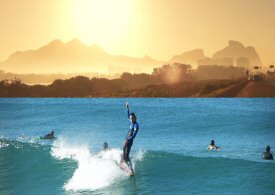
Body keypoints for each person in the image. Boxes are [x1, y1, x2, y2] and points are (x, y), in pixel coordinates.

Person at [123, 101, 139, 166]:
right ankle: (125, 163)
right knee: (124, 153)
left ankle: (130, 167)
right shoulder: (131, 122)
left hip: (129, 141)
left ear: (135, 118)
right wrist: (127, 108)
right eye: (130, 118)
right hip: (126, 139)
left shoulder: (136, 125)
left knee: (126, 156)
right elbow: (128, 115)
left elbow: (134, 135)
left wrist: (128, 140)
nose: (131, 119)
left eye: (132, 118)